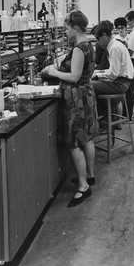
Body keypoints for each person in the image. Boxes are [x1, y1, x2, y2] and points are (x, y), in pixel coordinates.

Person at [41, 10, 98, 208]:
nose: (65, 31)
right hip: (86, 95)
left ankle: (83, 187)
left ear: (75, 28)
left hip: (76, 99)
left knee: (74, 143)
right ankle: (89, 176)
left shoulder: (79, 49)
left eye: (66, 28)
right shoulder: (89, 44)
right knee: (87, 138)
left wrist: (55, 71)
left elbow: (74, 77)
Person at [91, 21, 134, 119]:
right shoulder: (115, 45)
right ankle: (104, 117)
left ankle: (100, 117)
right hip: (122, 81)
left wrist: (97, 75)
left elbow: (114, 74)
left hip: (120, 83)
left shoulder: (114, 48)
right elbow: (112, 70)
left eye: (98, 39)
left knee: (88, 85)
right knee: (93, 81)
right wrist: (98, 72)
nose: (98, 42)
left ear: (104, 35)